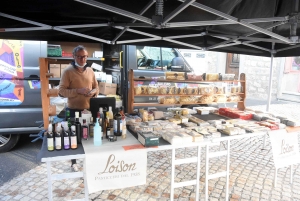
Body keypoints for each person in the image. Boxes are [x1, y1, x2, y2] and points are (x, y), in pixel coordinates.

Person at [59, 45, 99, 171]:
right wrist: (78, 91)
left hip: (88, 109)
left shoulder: (91, 71)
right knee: (73, 136)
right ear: (74, 56)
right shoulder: (67, 71)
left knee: (88, 136)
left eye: (85, 57)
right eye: (80, 57)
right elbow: (61, 91)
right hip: (73, 110)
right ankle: (74, 162)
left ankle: (90, 160)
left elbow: (96, 87)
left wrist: (93, 92)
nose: (82, 59)